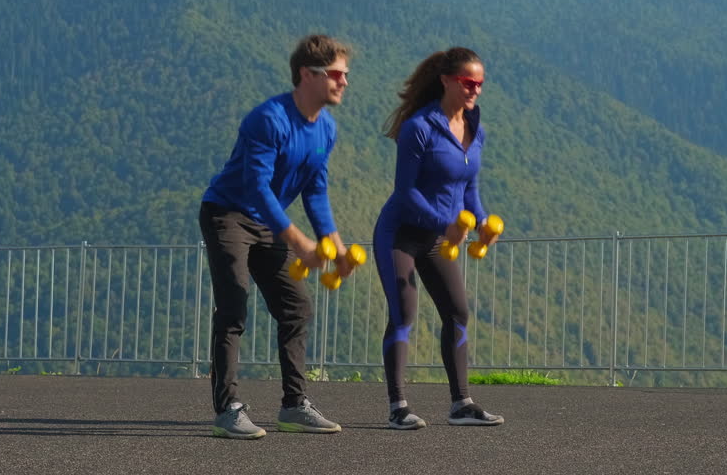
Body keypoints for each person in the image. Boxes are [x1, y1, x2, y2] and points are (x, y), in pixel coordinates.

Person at [199, 34, 355, 439]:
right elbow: (257, 188)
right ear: (308, 74)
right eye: (337, 74)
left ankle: (293, 406)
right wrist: (299, 240)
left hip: (267, 222)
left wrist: (335, 245)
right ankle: (228, 409)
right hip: (227, 214)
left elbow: (315, 190)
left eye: (345, 75)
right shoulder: (268, 120)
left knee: (297, 307)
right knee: (233, 305)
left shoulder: (327, 130)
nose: (344, 82)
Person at [373, 47, 504, 429]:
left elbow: (469, 187)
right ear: (446, 80)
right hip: (400, 233)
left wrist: (480, 221)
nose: (474, 90)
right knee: (404, 312)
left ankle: (461, 403)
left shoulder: (474, 128)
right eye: (467, 82)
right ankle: (398, 407)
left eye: (480, 84)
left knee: (457, 311)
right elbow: (405, 192)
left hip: (438, 237)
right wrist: (444, 224)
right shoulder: (419, 127)